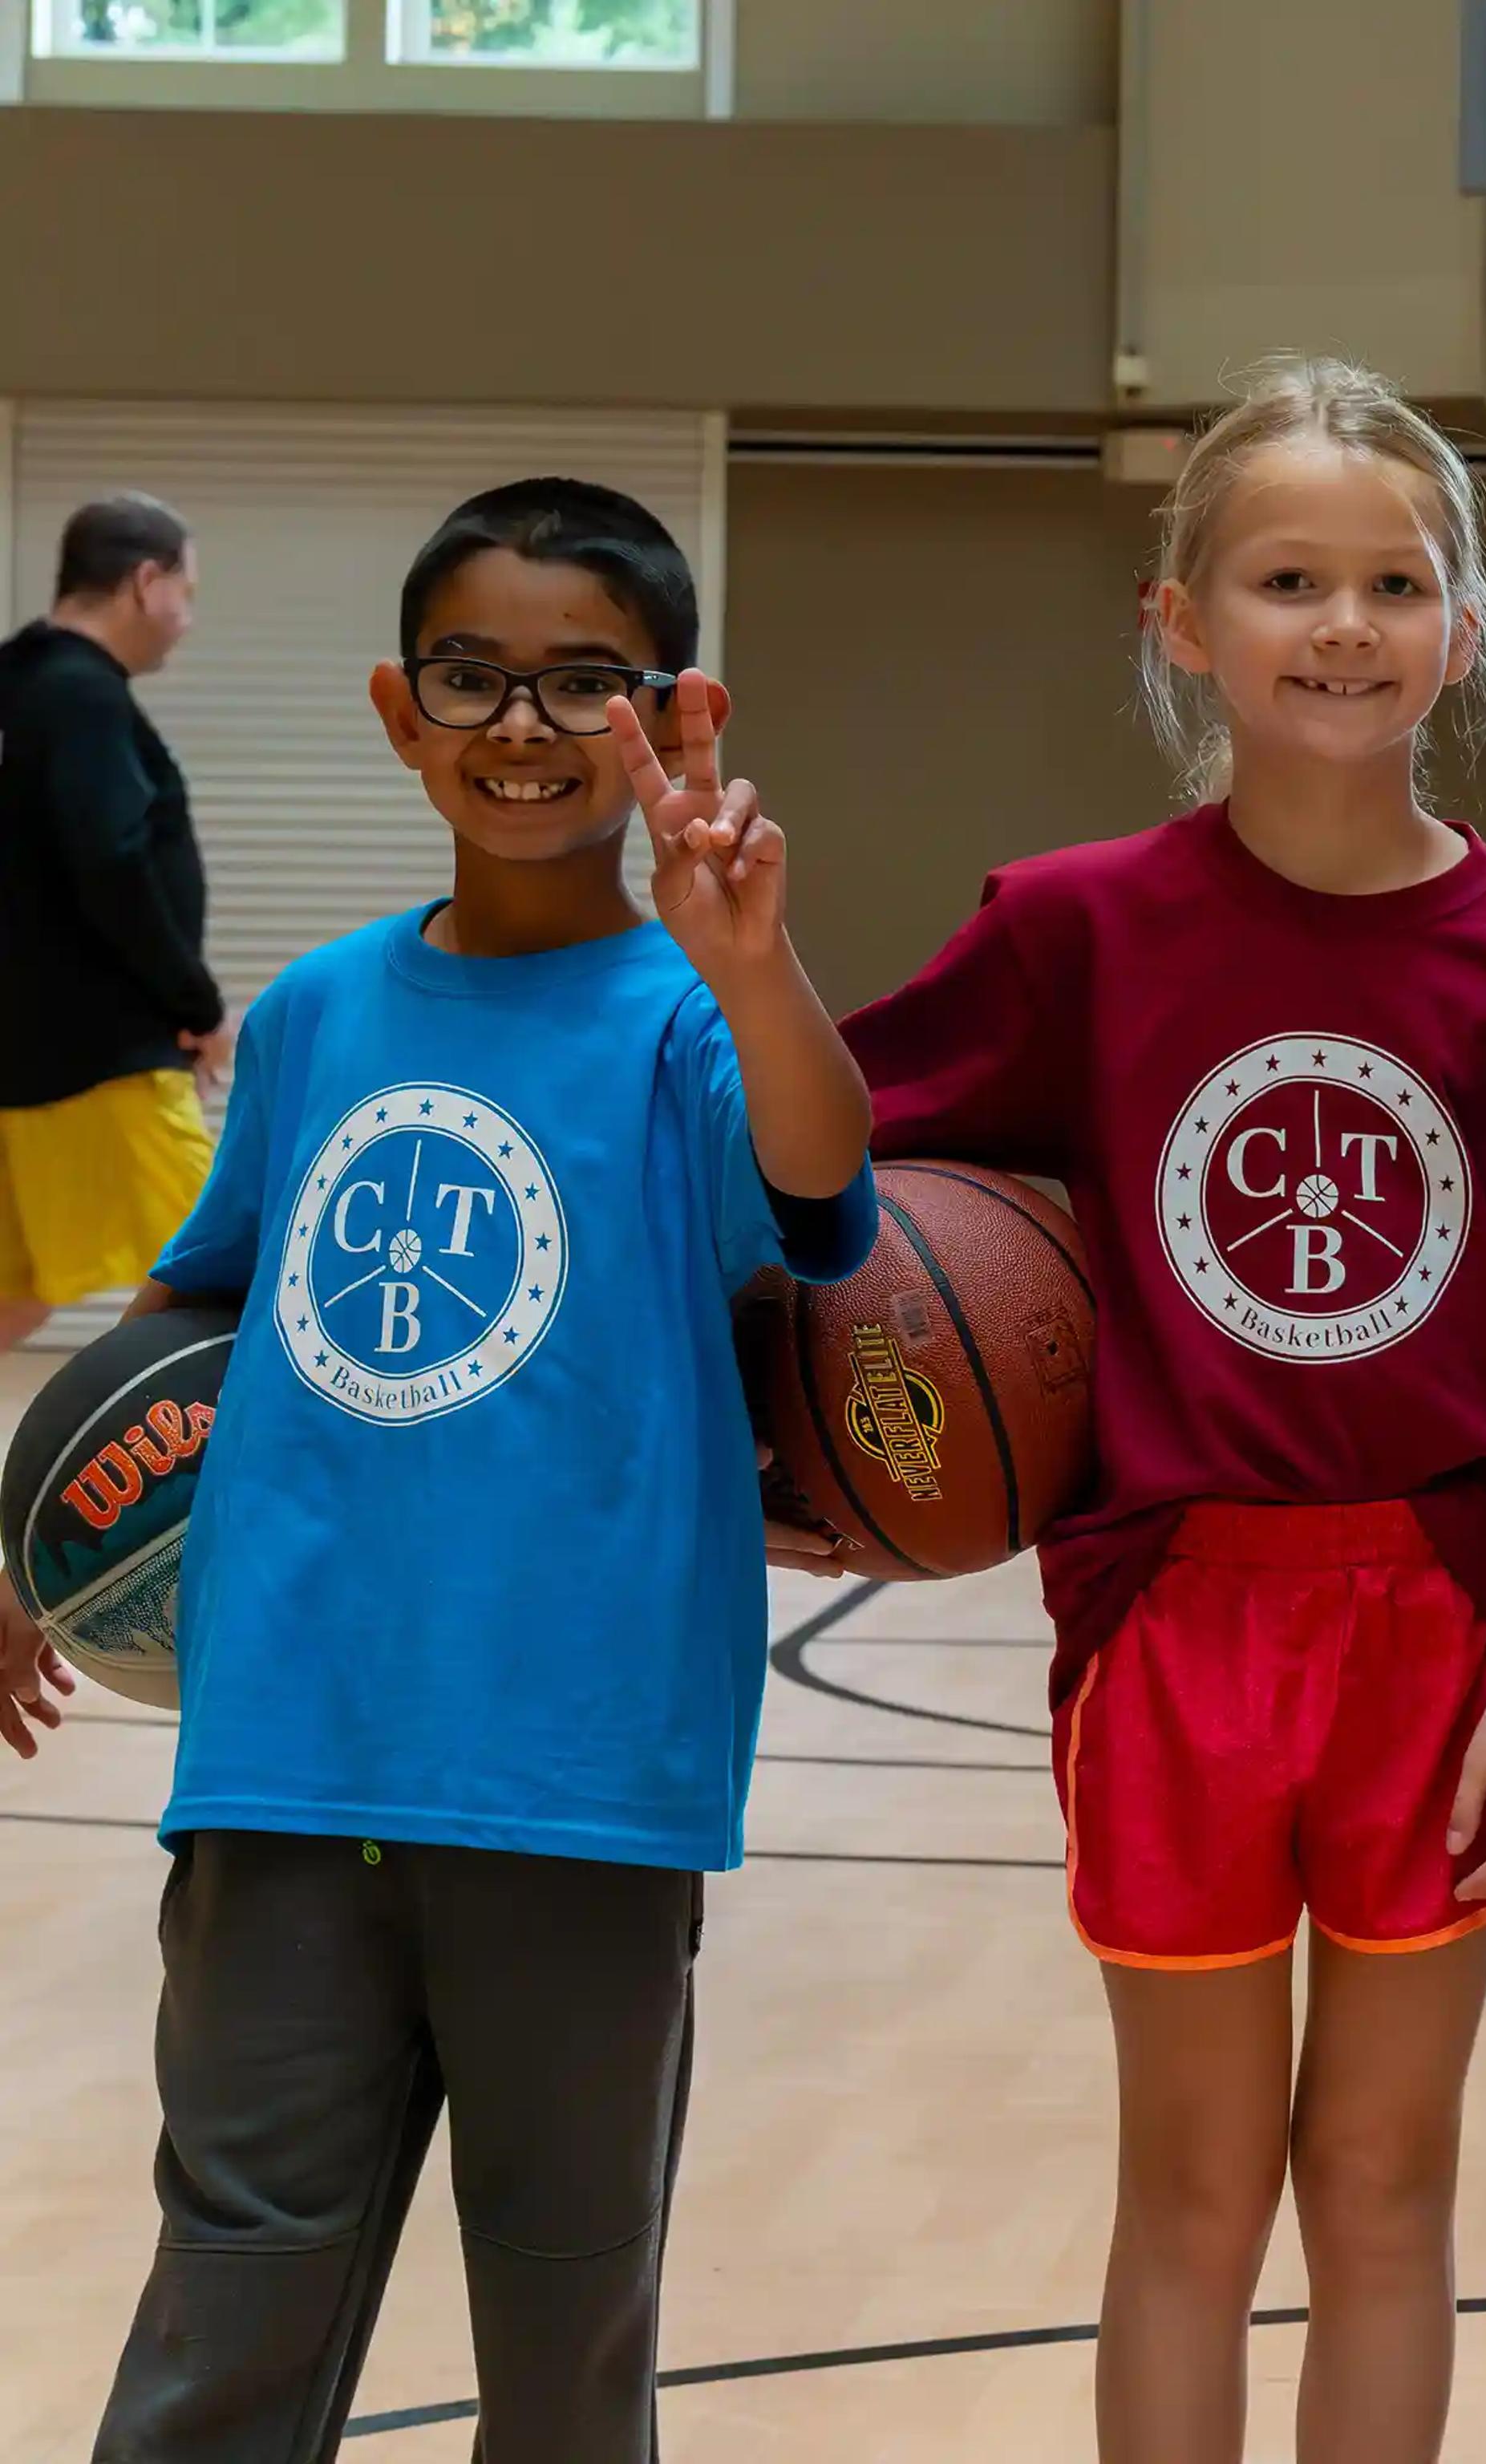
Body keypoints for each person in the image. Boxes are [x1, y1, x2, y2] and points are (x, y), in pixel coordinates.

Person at [0, 476, 877, 2457]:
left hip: (580, 1772)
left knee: (568, 2341)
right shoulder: (315, 1010)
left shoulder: (691, 1024)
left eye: (586, 683)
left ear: (675, 708)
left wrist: (750, 956)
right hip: (288, 1746)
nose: (521, 723)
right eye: (474, 676)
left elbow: (820, 1189)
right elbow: (184, 1302)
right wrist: (21, 1541)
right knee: (227, 2306)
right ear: (401, 711)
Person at [834, 357, 1486, 2464]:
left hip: (1445, 1629)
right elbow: (817, 1163)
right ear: (1182, 619)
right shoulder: (1077, 929)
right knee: (1192, 2199)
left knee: (1386, 2192)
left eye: (1396, 583)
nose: (1346, 626)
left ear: (1463, 632)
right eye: (1289, 579)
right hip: (1174, 1615)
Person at [0, 494, 223, 1353]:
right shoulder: (82, 696)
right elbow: (112, 862)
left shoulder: (19, 685)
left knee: (16, 1293)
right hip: (104, 1061)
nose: (186, 620)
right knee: (238, 1260)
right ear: (146, 581)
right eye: (188, 593)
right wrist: (196, 1005)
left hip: (30, 1060)